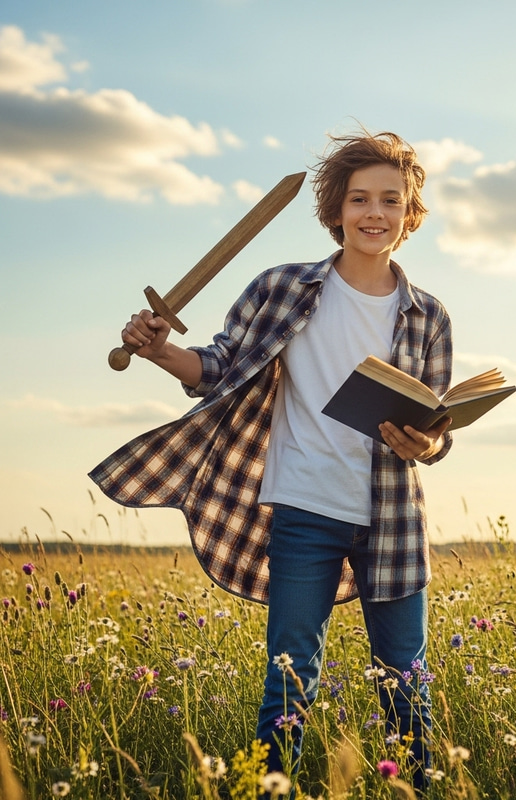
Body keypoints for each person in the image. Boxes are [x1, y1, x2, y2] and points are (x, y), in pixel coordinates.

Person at [89, 129, 453, 794]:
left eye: (390, 201)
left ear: (410, 213)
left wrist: (423, 442)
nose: (375, 213)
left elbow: (435, 427)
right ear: (336, 211)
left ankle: (419, 789)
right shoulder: (285, 288)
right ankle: (270, 789)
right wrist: (159, 349)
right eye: (360, 199)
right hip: (306, 509)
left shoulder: (427, 314)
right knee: (289, 677)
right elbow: (216, 366)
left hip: (394, 517)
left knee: (406, 681)